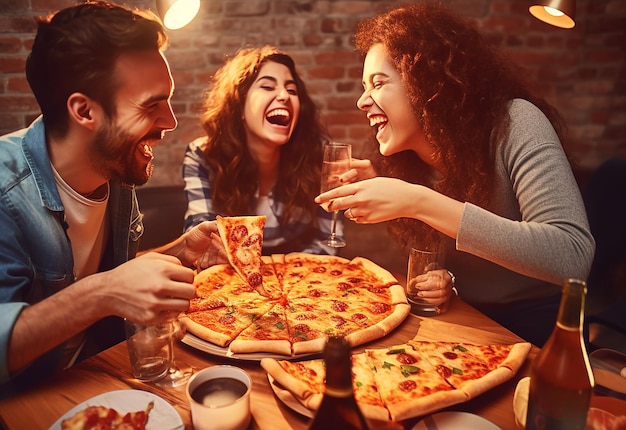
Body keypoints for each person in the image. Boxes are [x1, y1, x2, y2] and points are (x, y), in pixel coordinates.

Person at [316, 3, 595, 347]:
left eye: (378, 83)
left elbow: (571, 255)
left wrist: (417, 200)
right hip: (464, 323)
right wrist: (444, 279)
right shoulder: (410, 162)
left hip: (541, 328)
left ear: (427, 83)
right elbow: (453, 259)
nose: (362, 101)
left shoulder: (517, 123)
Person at [0, 1, 224, 398]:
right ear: (84, 110)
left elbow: (106, 276)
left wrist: (179, 252)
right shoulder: (5, 192)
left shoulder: (114, 169)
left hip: (104, 378)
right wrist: (101, 294)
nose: (171, 122)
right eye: (151, 105)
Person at [183, 46, 341, 255]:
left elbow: (328, 240)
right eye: (267, 87)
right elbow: (203, 238)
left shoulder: (319, 156)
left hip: (303, 273)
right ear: (239, 106)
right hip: (229, 273)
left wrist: (294, 277)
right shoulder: (203, 155)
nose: (284, 95)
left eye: (292, 90)